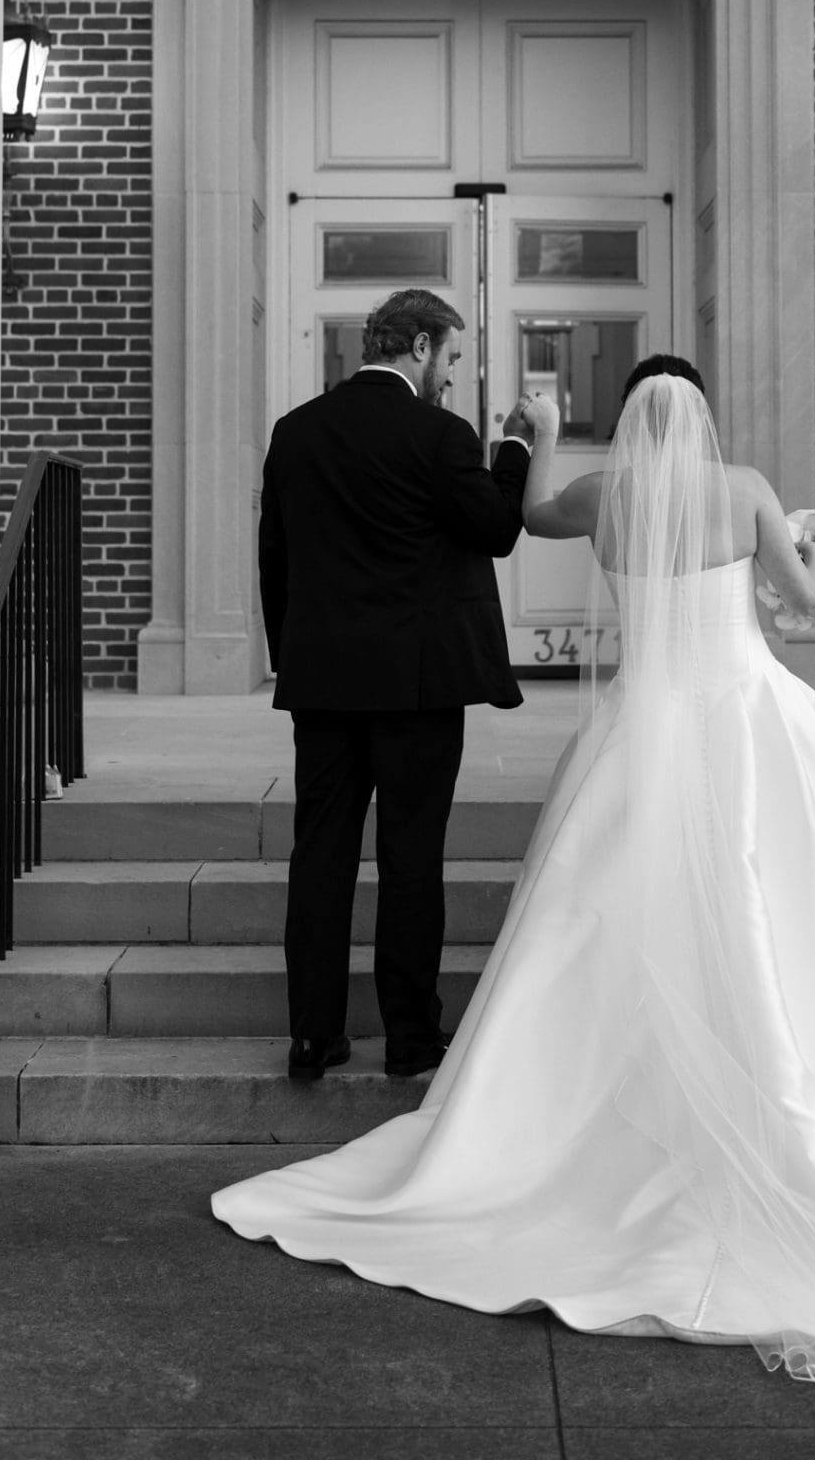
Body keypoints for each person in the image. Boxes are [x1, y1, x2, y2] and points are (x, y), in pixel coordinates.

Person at [216, 355, 815, 1394]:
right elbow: (800, 611)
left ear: (630, 421)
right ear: (703, 417)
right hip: (751, 721)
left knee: (598, 908)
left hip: (643, 726)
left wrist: (533, 424)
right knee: (789, 894)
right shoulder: (747, 488)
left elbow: (525, 517)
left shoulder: (603, 497)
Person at [257, 286, 532, 1084]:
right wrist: (511, 449)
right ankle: (410, 1040)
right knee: (411, 861)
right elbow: (495, 530)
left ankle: (313, 1035)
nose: (450, 375)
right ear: (417, 347)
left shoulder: (295, 431)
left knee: (321, 858)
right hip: (416, 689)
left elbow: (276, 558)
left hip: (323, 682)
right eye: (448, 356)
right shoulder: (439, 435)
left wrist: (293, 657)